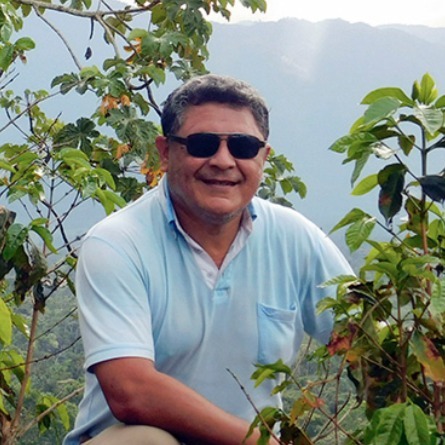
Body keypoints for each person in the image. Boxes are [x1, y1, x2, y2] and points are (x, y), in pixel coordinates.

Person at [63, 74, 353, 445]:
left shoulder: (297, 239)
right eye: (203, 144)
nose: (223, 161)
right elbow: (131, 391)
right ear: (165, 152)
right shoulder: (118, 242)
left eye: (243, 147)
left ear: (263, 157)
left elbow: (370, 346)